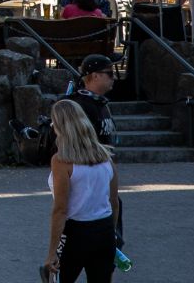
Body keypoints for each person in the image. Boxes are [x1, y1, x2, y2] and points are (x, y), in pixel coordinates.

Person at [43, 97, 121, 283]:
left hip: (75, 232)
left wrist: (52, 252)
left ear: (59, 126)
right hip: (104, 230)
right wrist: (112, 234)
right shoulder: (106, 156)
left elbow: (60, 210)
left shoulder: (61, 161)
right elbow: (114, 202)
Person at [65, 55, 117, 149]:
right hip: (86, 163)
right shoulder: (80, 105)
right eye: (110, 73)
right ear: (95, 76)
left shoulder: (101, 103)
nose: (114, 77)